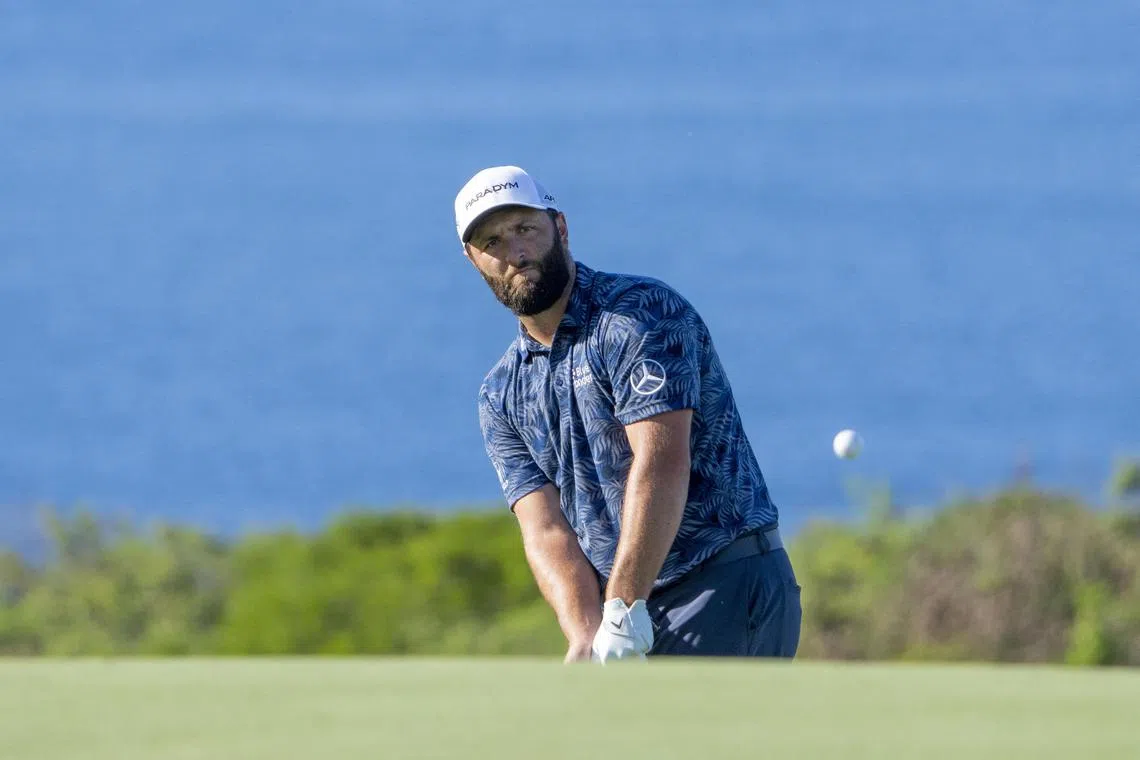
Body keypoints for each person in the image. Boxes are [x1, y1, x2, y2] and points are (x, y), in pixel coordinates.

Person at [455, 165, 801, 663]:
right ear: (474, 260)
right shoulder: (502, 392)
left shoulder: (639, 314)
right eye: (493, 242)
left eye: (525, 229)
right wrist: (585, 630)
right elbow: (545, 528)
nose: (516, 253)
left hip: (722, 578)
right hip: (631, 610)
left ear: (561, 228)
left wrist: (620, 606)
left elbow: (661, 462)